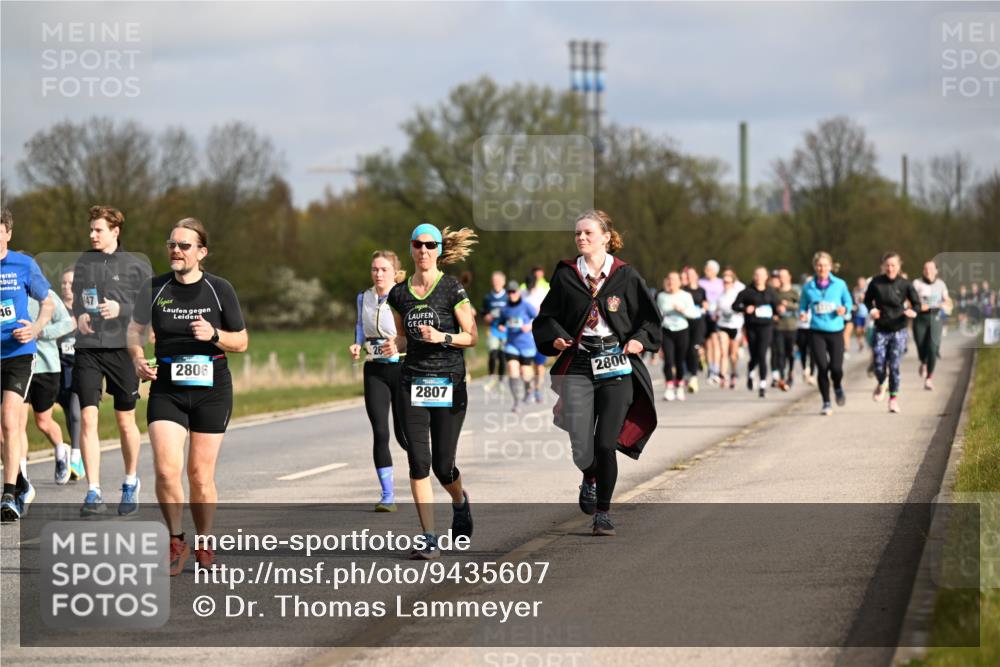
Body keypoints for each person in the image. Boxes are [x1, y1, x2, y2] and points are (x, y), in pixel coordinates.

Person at [129, 218, 248, 574]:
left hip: (212, 389)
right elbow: (134, 331)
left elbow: (242, 341)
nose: (176, 251)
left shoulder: (219, 289)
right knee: (167, 470)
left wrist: (215, 334)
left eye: (184, 245)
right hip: (167, 388)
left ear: (201, 252)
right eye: (172, 245)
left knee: (199, 475)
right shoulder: (154, 288)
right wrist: (137, 360)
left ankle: (205, 541)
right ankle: (175, 540)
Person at [533, 210, 661, 537]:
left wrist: (638, 340)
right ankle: (589, 475)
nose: (581, 238)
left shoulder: (625, 275)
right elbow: (547, 317)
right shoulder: (566, 275)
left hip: (616, 363)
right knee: (582, 448)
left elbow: (650, 319)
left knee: (605, 444)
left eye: (588, 233)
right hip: (579, 363)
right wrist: (556, 336)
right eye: (577, 233)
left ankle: (603, 513)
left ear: (605, 237)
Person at [386, 223, 478, 560]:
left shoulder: (451, 288)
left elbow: (472, 336)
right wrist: (392, 345)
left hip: (449, 382)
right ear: (411, 248)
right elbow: (402, 337)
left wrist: (443, 337)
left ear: (438, 250)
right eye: (417, 244)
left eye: (429, 245)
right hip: (412, 382)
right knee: (418, 461)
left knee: (443, 466)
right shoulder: (399, 294)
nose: (423, 250)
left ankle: (460, 501)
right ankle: (428, 537)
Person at [72, 205, 152, 516]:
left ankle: (130, 481)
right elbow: (77, 298)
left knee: (124, 420)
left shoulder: (135, 265)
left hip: (123, 348)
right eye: (91, 229)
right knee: (88, 417)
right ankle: (93, 491)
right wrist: (80, 314)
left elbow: (150, 304)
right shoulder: (84, 261)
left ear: (115, 231)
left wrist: (122, 309)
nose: (92, 235)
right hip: (89, 348)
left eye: (98, 230)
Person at [1, 208, 56, 522]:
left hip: (19, 353)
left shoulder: (23, 265)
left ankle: (8, 494)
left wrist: (35, 328)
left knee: (10, 420)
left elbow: (48, 302)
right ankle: (21, 482)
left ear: (8, 233)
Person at [350, 250, 408, 512]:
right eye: (375, 269)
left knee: (404, 435)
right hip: (374, 370)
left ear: (395, 273)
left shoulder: (404, 296)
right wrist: (357, 343)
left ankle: (429, 476)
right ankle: (388, 496)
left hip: (402, 368)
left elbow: (413, 331)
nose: (378, 274)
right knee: (380, 432)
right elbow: (360, 325)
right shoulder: (364, 297)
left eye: (384, 269)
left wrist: (398, 344)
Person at [25, 288, 75, 483]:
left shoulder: (46, 295)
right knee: (14, 424)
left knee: (43, 422)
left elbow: (68, 323)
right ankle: (21, 477)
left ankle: (61, 451)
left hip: (45, 367)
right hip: (16, 367)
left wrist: (40, 331)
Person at [865, 252, 920, 413]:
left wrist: (913, 311)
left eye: (893, 265)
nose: (890, 268)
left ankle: (893, 399)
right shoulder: (876, 282)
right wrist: (872, 309)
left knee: (894, 365)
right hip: (881, 329)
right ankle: (882, 382)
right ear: (883, 266)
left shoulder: (905, 284)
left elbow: (916, 303)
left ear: (899, 266)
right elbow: (867, 300)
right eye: (887, 265)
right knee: (878, 364)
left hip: (898, 329)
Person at [799, 252, 853, 415]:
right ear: (815, 267)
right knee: (822, 367)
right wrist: (802, 313)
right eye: (819, 265)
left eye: (824, 265)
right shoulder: (808, 287)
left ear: (830, 266)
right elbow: (803, 305)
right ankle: (826, 402)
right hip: (816, 332)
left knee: (836, 368)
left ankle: (837, 386)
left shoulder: (840, 284)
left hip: (836, 331)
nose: (822, 268)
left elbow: (848, 302)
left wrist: (844, 309)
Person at [734, 267, 782, 398]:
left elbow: (777, 307)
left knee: (762, 355)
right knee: (754, 355)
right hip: (751, 327)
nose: (759, 278)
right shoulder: (747, 292)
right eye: (757, 275)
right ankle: (750, 372)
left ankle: (762, 385)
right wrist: (745, 308)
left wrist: (778, 313)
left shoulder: (771, 292)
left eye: (762, 275)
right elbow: (735, 306)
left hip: (766, 327)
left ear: (766, 277)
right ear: (753, 276)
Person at [56, 268, 85, 481]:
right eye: (64, 283)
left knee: (76, 413)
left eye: (71, 283)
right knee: (69, 413)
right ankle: (78, 455)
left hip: (82, 367)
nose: (67, 287)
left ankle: (75, 457)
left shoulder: (85, 307)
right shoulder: (55, 308)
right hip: (61, 367)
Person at [497, 281, 538, 412]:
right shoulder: (505, 309)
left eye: (513, 292)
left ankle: (529, 388)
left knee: (525, 373)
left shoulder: (526, 306)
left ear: (518, 292)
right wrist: (501, 327)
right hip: (511, 344)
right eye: (509, 292)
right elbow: (501, 322)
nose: (511, 294)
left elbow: (539, 318)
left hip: (526, 344)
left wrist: (530, 326)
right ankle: (516, 401)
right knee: (512, 368)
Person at [657, 272, 699, 401]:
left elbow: (694, 314)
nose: (671, 282)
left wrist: (682, 310)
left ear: (680, 282)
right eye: (669, 279)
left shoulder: (685, 295)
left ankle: (679, 385)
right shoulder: (661, 296)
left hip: (682, 330)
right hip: (666, 331)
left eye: (674, 280)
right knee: (668, 360)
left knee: (680, 361)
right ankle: (669, 388)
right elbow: (657, 315)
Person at [912, 260, 951, 391]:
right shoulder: (917, 283)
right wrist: (918, 305)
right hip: (920, 318)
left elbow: (947, 299)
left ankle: (929, 378)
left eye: (931, 268)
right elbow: (910, 300)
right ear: (923, 271)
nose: (928, 271)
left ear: (936, 271)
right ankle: (923, 362)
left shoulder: (941, 284)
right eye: (926, 268)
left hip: (935, 317)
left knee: (933, 348)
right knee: (921, 345)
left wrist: (947, 304)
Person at [522, 266, 551, 403]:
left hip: (540, 334)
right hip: (525, 337)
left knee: (539, 366)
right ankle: (529, 391)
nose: (530, 289)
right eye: (528, 287)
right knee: (526, 366)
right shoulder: (521, 294)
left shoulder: (543, 293)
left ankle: (538, 389)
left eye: (531, 286)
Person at [715, 268, 745, 389]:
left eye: (728, 282)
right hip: (723, 325)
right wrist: (715, 314)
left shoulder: (738, 294)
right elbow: (717, 310)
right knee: (723, 352)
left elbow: (742, 309)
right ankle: (723, 376)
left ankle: (733, 373)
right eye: (724, 282)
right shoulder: (720, 296)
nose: (726, 284)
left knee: (733, 355)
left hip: (735, 326)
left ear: (733, 283)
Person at [480, 271, 508, 396]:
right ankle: (491, 377)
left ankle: (501, 381)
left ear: (503, 282)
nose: (496, 283)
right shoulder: (488, 297)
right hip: (492, 330)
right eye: (494, 281)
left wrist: (505, 324)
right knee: (493, 354)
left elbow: (513, 313)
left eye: (498, 281)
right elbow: (483, 313)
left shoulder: (508, 296)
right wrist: (487, 317)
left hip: (505, 331)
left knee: (502, 356)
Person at [681, 266, 707, 393]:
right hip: (686, 323)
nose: (690, 277)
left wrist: (705, 306)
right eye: (688, 275)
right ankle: (688, 371)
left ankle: (694, 377)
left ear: (697, 276)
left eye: (692, 274)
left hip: (698, 323)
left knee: (694, 349)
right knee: (686, 349)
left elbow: (705, 304)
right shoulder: (683, 291)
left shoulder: (702, 290)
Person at [699, 260, 724, 385]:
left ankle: (716, 368)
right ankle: (710, 369)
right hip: (706, 315)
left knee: (715, 341)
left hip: (717, 316)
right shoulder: (701, 282)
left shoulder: (721, 283)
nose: (706, 271)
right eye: (705, 268)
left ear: (715, 271)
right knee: (708, 344)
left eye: (708, 269)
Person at [773, 268, 799, 389]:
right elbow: (770, 306)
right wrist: (775, 313)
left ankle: (790, 372)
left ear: (789, 277)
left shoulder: (794, 292)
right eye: (780, 276)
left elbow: (801, 306)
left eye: (784, 276)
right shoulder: (775, 293)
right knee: (780, 352)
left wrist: (787, 305)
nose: (782, 279)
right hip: (779, 327)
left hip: (792, 327)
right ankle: (782, 377)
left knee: (790, 353)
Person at [852, 277, 869, 352]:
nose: (860, 284)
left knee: (865, 330)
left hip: (867, 314)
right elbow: (854, 301)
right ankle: (860, 344)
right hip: (858, 314)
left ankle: (868, 343)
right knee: (858, 330)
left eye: (862, 283)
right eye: (859, 283)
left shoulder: (868, 290)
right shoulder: (855, 290)